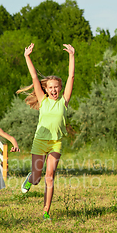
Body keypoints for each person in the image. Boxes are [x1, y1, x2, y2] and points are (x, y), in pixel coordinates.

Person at [17, 42, 75, 221]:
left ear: (60, 87)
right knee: (37, 178)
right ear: (46, 89)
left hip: (56, 143)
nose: (54, 90)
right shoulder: (43, 100)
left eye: (56, 86)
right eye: (50, 87)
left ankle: (46, 212)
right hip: (40, 142)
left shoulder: (64, 101)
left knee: (50, 177)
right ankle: (30, 178)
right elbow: (34, 77)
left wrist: (72, 56)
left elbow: (71, 76)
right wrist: (27, 56)